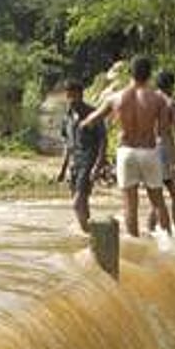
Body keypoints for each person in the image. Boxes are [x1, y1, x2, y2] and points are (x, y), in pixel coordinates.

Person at [80, 56, 174, 237]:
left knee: (130, 204)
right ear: (150, 74)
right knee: (158, 202)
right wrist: (171, 159)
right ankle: (168, 242)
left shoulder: (115, 98)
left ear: (130, 73)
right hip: (149, 151)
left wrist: (82, 127)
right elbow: (163, 132)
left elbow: (91, 121)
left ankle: (135, 241)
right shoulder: (158, 100)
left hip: (126, 152)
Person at [55, 79, 106, 233]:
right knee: (82, 204)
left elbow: (103, 139)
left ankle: (88, 233)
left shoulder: (93, 114)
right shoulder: (67, 117)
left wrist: (98, 164)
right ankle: (92, 236)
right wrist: (63, 169)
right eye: (68, 96)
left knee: (77, 203)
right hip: (74, 164)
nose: (70, 99)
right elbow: (68, 145)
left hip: (88, 162)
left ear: (81, 95)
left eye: (73, 96)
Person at [148, 69, 175, 231]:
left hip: (148, 149)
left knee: (155, 198)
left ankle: (151, 232)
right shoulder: (171, 103)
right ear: (171, 85)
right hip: (165, 150)